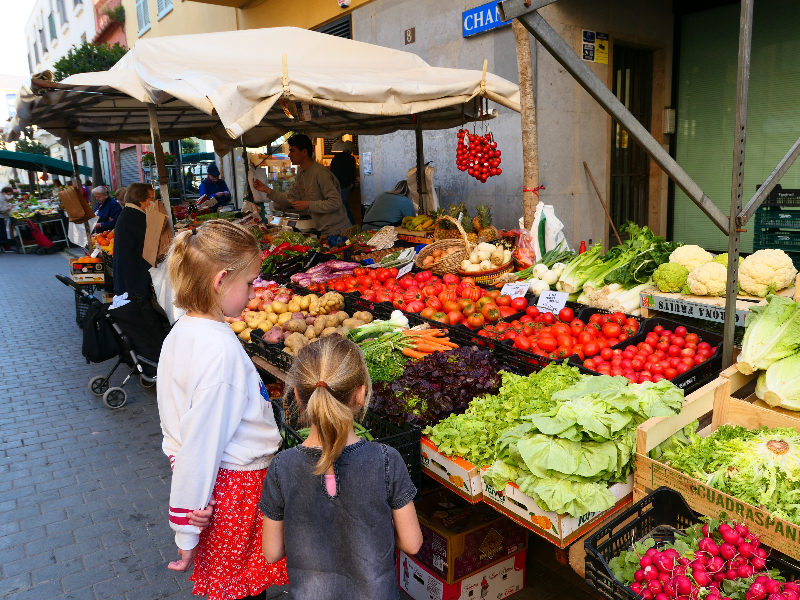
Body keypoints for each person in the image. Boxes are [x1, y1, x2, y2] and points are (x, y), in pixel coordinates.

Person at [158, 220, 288, 600]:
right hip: (236, 491)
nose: (253, 292)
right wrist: (185, 528)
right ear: (220, 281)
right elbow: (200, 447)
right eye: (249, 283)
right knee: (242, 590)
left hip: (218, 487)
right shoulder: (219, 352)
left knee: (233, 586)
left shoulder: (184, 330)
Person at [259, 335, 422, 600]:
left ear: (298, 396)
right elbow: (412, 543)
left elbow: (272, 552)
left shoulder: (281, 466)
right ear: (360, 393)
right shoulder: (386, 460)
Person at [251, 134, 350, 238]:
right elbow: (290, 198)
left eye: (292, 151)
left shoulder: (320, 173)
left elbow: (336, 202)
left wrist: (308, 204)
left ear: (304, 152)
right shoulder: (301, 173)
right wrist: (267, 190)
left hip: (339, 230)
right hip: (324, 230)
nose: (289, 155)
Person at [112, 183, 154, 298]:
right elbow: (150, 245)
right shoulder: (135, 217)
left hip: (128, 278)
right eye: (151, 198)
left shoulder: (128, 213)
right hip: (134, 281)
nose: (153, 202)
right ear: (141, 200)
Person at [329, 141, 357, 225]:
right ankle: (347, 227)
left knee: (344, 207)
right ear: (351, 149)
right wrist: (352, 182)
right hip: (345, 185)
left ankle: (352, 226)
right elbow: (352, 172)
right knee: (341, 208)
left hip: (335, 185)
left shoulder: (336, 157)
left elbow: (331, 171)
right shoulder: (351, 158)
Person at [0, 186, 14, 252]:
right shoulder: (1, 198)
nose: (10, 196)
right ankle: (5, 247)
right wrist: (7, 208)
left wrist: (10, 206)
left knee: (3, 232)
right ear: (4, 193)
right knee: (2, 233)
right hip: (1, 217)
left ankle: (4, 246)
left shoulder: (4, 198)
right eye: (8, 194)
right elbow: (1, 209)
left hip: (3, 216)